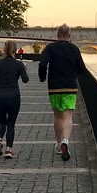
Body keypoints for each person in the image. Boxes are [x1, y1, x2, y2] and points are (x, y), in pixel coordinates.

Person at [38, 23, 87, 161]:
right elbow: (81, 68)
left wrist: (42, 77)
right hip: (70, 86)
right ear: (69, 35)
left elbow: (42, 64)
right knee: (68, 116)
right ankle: (66, 140)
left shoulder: (50, 48)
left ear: (57, 35)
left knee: (58, 116)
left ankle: (59, 144)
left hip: (54, 87)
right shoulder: (74, 49)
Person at [0, 40, 29, 159]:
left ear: (4, 49)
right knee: (11, 123)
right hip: (13, 95)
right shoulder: (18, 64)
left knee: (1, 122)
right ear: (15, 50)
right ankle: (9, 149)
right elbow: (25, 80)